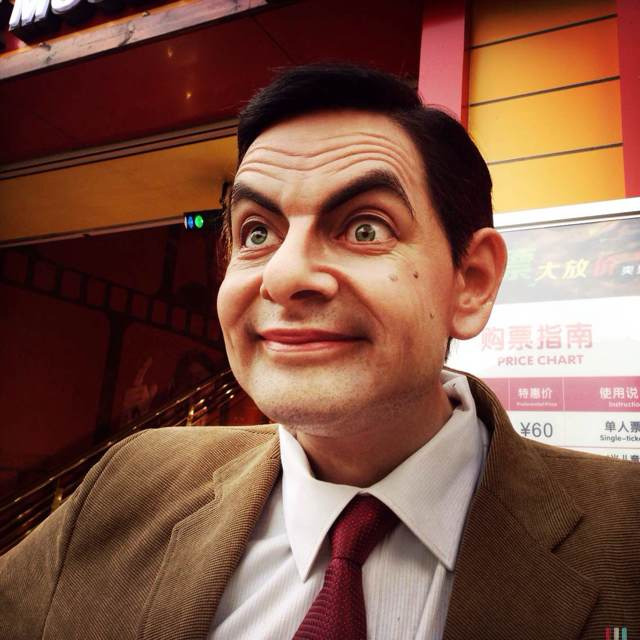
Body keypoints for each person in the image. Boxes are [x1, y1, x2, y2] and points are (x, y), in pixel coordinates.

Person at [1, 64, 638, 640]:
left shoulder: (624, 530)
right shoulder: (130, 484)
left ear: (470, 282)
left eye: (365, 227)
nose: (283, 276)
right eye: (258, 232)